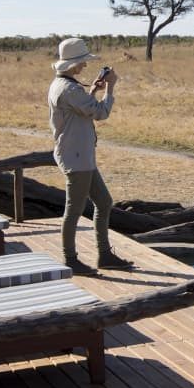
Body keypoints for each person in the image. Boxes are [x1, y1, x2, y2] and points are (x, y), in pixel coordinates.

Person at [47, 37, 132, 275]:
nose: (84, 66)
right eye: (82, 62)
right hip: (77, 156)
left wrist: (93, 91)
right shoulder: (71, 89)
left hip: (78, 154)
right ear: (73, 64)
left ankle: (104, 255)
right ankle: (70, 258)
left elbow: (80, 110)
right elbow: (100, 113)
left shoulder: (62, 85)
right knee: (74, 209)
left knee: (103, 202)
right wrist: (112, 88)